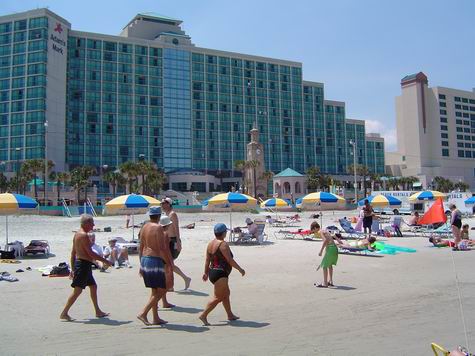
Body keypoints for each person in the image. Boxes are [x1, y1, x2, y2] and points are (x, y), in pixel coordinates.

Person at [60, 214, 111, 321]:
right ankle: (64, 313)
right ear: (86, 223)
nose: (93, 225)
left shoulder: (77, 234)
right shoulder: (83, 236)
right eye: (92, 223)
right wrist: (106, 261)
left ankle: (98, 311)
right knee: (77, 291)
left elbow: (73, 253)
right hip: (82, 266)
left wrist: (72, 269)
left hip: (84, 265)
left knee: (93, 286)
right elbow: (90, 253)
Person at [199, 223, 245, 326]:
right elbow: (229, 260)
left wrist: (206, 273)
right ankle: (203, 315)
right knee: (218, 297)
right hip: (220, 273)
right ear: (223, 233)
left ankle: (230, 315)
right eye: (226, 231)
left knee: (226, 293)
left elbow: (207, 260)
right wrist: (240, 269)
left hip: (213, 272)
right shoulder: (223, 244)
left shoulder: (210, 244)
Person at [137, 206, 174, 326]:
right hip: (154, 260)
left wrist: (141, 264)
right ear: (159, 216)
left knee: (154, 291)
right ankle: (143, 312)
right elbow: (162, 248)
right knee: (162, 289)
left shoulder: (144, 227)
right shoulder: (158, 227)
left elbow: (141, 246)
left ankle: (156, 317)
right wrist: (169, 263)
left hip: (145, 259)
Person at [160, 197, 191, 309]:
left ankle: (184, 279)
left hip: (172, 240)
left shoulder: (172, 214)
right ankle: (172, 285)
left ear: (169, 204)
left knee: (169, 264)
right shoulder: (165, 213)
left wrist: (178, 242)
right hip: (166, 240)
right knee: (169, 265)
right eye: (162, 203)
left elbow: (176, 228)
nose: (162, 205)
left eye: (164, 203)